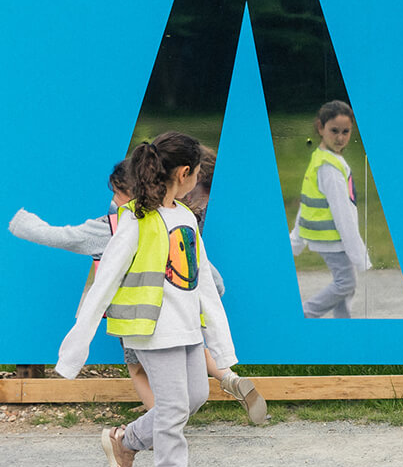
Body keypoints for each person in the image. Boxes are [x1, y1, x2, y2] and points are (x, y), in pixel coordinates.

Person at [10, 156, 265, 425]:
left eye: (117, 193)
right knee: (193, 350)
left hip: (138, 319)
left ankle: (156, 425)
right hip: (180, 311)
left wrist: (22, 224)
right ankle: (228, 377)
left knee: (138, 370)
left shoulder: (112, 226)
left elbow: (63, 236)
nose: (114, 200)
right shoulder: (175, 218)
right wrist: (213, 292)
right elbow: (204, 270)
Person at [56, 132, 236, 467]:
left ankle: (124, 442)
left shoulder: (185, 218)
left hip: (186, 329)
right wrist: (77, 344)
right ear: (184, 174)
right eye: (197, 172)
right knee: (171, 413)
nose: (199, 178)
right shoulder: (135, 220)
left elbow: (203, 287)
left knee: (193, 398)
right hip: (152, 331)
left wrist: (219, 344)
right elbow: (105, 279)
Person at [290, 100, 371, 318]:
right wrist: (359, 252)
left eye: (346, 131)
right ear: (320, 128)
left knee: (345, 286)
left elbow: (307, 202)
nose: (340, 137)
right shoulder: (329, 167)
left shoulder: (322, 158)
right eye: (334, 131)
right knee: (346, 283)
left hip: (326, 237)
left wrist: (296, 239)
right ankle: (305, 314)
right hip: (332, 239)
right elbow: (342, 214)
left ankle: (343, 328)